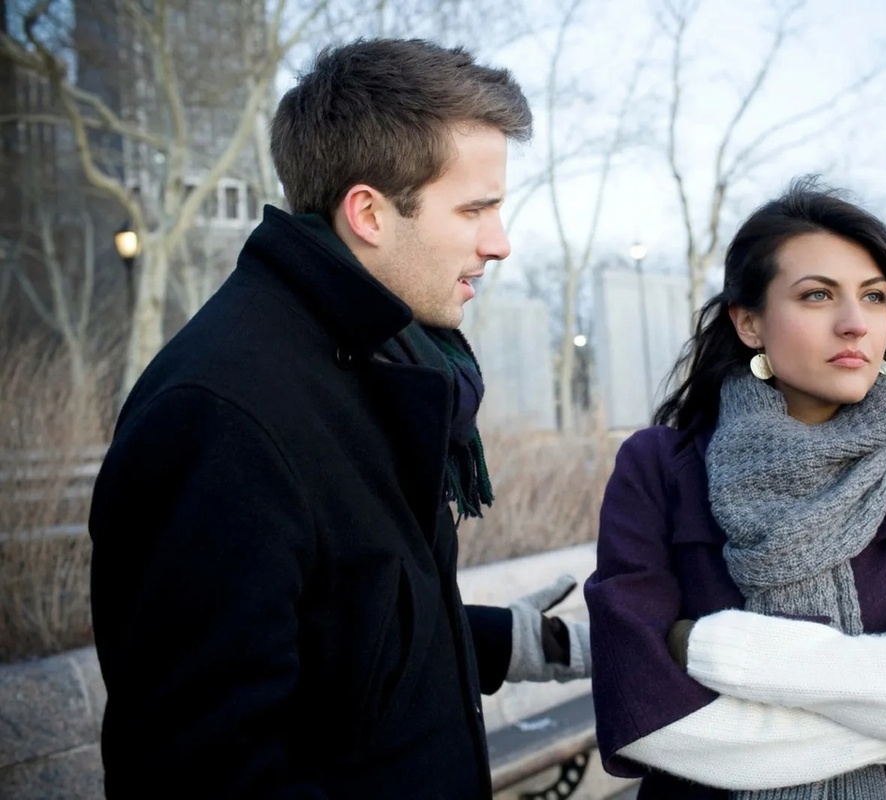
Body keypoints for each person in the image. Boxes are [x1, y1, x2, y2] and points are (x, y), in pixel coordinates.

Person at [88, 38, 589, 799]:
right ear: (368, 213)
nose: (500, 243)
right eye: (475, 209)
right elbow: (206, 768)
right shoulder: (219, 419)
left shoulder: (377, 363)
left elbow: (350, 638)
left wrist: (513, 642)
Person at [585, 178, 886, 799]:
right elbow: (651, 720)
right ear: (749, 323)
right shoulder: (658, 467)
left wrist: (718, 652)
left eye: (873, 297)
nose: (855, 324)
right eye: (817, 295)